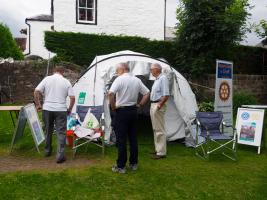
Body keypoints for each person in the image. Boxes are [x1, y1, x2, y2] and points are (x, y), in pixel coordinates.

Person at [108, 63, 150, 173]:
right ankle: (133, 163)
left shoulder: (119, 79)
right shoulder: (136, 80)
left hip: (122, 111)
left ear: (122, 69)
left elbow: (110, 94)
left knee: (121, 139)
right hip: (133, 111)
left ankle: (121, 166)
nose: (117, 72)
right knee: (133, 138)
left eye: (117, 70)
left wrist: (113, 107)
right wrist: (140, 105)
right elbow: (147, 93)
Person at [34, 66, 75, 164]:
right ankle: (60, 156)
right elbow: (72, 98)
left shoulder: (47, 79)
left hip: (47, 108)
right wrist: (69, 109)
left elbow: (36, 91)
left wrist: (38, 105)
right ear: (63, 72)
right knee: (61, 132)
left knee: (48, 130)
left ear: (54, 71)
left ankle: (47, 151)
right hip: (61, 109)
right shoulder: (66, 81)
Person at [150, 63, 170, 159]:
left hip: (158, 105)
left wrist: (159, 105)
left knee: (159, 129)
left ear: (157, 69)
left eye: (152, 69)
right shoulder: (157, 79)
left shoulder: (163, 78)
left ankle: (161, 152)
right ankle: (158, 149)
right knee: (155, 128)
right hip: (153, 104)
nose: (151, 71)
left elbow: (166, 95)